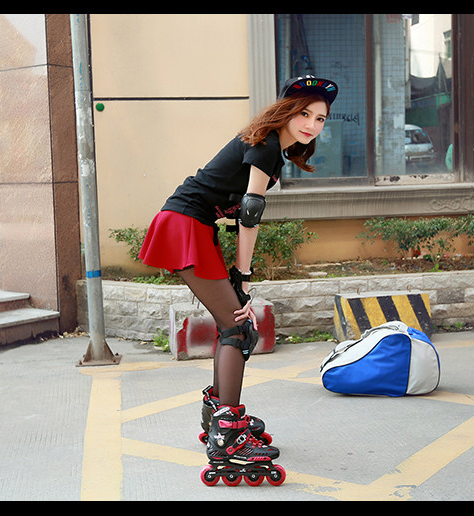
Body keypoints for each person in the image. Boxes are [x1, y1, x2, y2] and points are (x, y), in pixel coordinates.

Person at [138, 75, 338, 485]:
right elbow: (249, 215)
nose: (312, 125)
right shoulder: (266, 147)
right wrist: (243, 279)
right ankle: (228, 434)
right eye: (304, 114)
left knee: (235, 327)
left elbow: (239, 212)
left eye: (320, 119)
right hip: (185, 224)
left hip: (192, 225)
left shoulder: (271, 148)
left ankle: (219, 414)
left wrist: (237, 276)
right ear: (286, 111)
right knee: (237, 327)